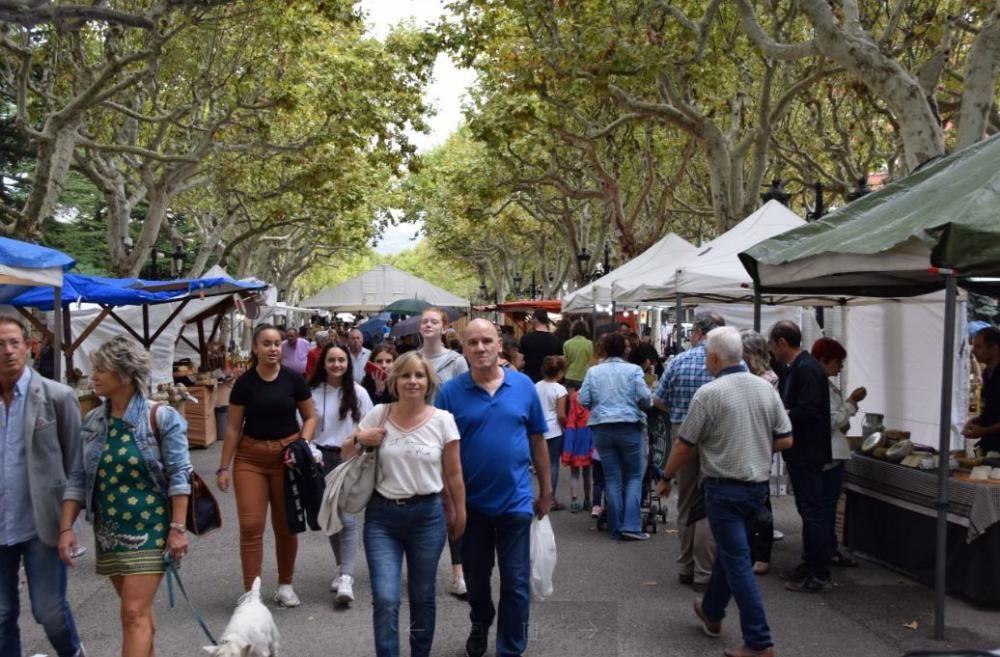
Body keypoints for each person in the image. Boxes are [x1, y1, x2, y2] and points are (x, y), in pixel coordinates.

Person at [657, 326, 793, 657]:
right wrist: (756, 446)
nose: (706, 362)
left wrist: (666, 477)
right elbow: (786, 438)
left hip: (724, 488)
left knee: (737, 562)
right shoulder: (765, 389)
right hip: (756, 489)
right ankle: (712, 611)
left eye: (707, 356)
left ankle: (760, 641)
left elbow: (684, 444)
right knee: (733, 555)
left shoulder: (710, 393)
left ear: (716, 357)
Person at [59, 336, 190, 657]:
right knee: (138, 613)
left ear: (125, 374)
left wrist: (177, 528)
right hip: (108, 531)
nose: (94, 376)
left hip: (151, 529)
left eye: (102, 369)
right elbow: (77, 478)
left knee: (132, 612)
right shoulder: (92, 422)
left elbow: (179, 476)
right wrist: (66, 528)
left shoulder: (161, 417)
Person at [435, 319, 551, 657]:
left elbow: (537, 439)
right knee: (477, 579)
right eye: (473, 343)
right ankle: (480, 619)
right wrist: (448, 501)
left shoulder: (524, 386)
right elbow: (441, 450)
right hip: (469, 505)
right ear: (464, 349)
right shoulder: (450, 392)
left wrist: (545, 490)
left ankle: (509, 650)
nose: (481, 348)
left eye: (487, 340)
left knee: (515, 583)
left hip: (515, 500)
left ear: (500, 344)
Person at [349, 351, 466, 657]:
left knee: (422, 596)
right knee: (386, 599)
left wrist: (460, 513)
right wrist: (364, 438)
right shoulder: (379, 414)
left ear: (428, 382)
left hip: (428, 517)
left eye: (419, 375)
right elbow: (346, 451)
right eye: (405, 375)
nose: (412, 381)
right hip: (382, 518)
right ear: (394, 380)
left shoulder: (443, 420)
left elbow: (454, 474)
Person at [0, 317, 85, 657]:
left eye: (13, 342)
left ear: (28, 346)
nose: (7, 351)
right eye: (0, 344)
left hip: (44, 523)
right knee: (2, 614)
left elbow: (75, 466)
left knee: (49, 612)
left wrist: (68, 526)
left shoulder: (58, 397)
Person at [216, 323, 317, 605]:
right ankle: (252, 592)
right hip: (251, 459)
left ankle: (286, 585)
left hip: (287, 459)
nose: (273, 348)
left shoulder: (293, 380)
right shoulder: (244, 383)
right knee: (251, 526)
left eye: (277, 343)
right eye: (267, 343)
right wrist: (224, 467)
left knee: (286, 526)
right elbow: (233, 428)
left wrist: (303, 444)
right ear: (255, 348)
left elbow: (310, 417)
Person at [653, 311, 725, 591]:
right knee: (707, 501)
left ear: (697, 332)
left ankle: (685, 565)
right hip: (716, 436)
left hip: (682, 433)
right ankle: (704, 571)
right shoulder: (727, 363)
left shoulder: (678, 361)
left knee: (684, 501)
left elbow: (658, 400)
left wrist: (678, 414)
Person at [768, 320, 832, 594]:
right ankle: (809, 565)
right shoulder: (799, 368)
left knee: (812, 512)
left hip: (808, 452)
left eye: (772, 344)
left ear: (782, 343)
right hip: (802, 451)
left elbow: (809, 411)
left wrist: (782, 413)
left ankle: (819, 572)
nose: (771, 350)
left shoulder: (806, 369)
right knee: (807, 511)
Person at [308, 342, 373, 605]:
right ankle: (340, 567)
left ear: (348, 363)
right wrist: (311, 449)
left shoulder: (358, 392)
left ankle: (347, 576)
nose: (336, 365)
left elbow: (369, 424)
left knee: (346, 518)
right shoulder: (312, 393)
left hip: (350, 457)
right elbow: (304, 428)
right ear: (323, 363)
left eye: (341, 360)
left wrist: (361, 450)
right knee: (330, 516)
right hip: (321, 459)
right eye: (331, 360)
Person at [417, 307, 470, 598]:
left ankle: (458, 572)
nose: (428, 325)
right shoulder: (411, 359)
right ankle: (420, 569)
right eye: (424, 321)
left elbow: (465, 397)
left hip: (447, 438)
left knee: (451, 504)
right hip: (416, 438)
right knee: (419, 503)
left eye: (433, 321)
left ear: (444, 327)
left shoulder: (457, 361)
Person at [578, 332, 652, 540]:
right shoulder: (634, 370)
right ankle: (631, 525)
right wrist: (642, 406)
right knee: (634, 476)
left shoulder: (593, 372)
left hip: (601, 427)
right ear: (625, 349)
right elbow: (646, 397)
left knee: (612, 477)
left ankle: (615, 525)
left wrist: (599, 407)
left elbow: (583, 399)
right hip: (629, 425)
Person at [811, 337, 866, 569]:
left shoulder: (825, 383)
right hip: (830, 454)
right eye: (838, 362)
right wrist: (852, 403)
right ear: (824, 360)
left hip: (831, 452)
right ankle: (825, 552)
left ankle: (827, 549)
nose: (840, 367)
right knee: (826, 507)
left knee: (826, 507)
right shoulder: (821, 384)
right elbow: (834, 420)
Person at [740, 329, 780, 576]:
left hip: (760, 444)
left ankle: (761, 554)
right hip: (744, 443)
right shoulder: (750, 376)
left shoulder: (768, 379)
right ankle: (748, 549)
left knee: (759, 500)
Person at [535, 356, 568, 511]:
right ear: (560, 372)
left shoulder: (536, 386)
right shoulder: (560, 389)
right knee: (553, 464)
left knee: (539, 463)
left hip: (538, 429)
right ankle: (551, 497)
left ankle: (540, 493)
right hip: (554, 430)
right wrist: (565, 426)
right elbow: (561, 414)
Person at [965, 326, 1000, 453]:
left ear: (995, 349)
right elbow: (992, 409)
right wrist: (975, 421)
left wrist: (983, 430)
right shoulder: (988, 372)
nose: (973, 351)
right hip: (989, 446)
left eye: (979, 347)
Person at [519, 309, 563, 382]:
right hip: (549, 380)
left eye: (532, 319)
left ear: (535, 319)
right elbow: (561, 363)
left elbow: (518, 363)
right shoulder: (557, 340)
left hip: (529, 380)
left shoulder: (525, 338)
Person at [562, 321, 593, 389]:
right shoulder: (590, 344)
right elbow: (591, 362)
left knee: (571, 399)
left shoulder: (567, 343)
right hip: (584, 376)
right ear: (586, 330)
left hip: (570, 376)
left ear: (573, 330)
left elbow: (566, 361)